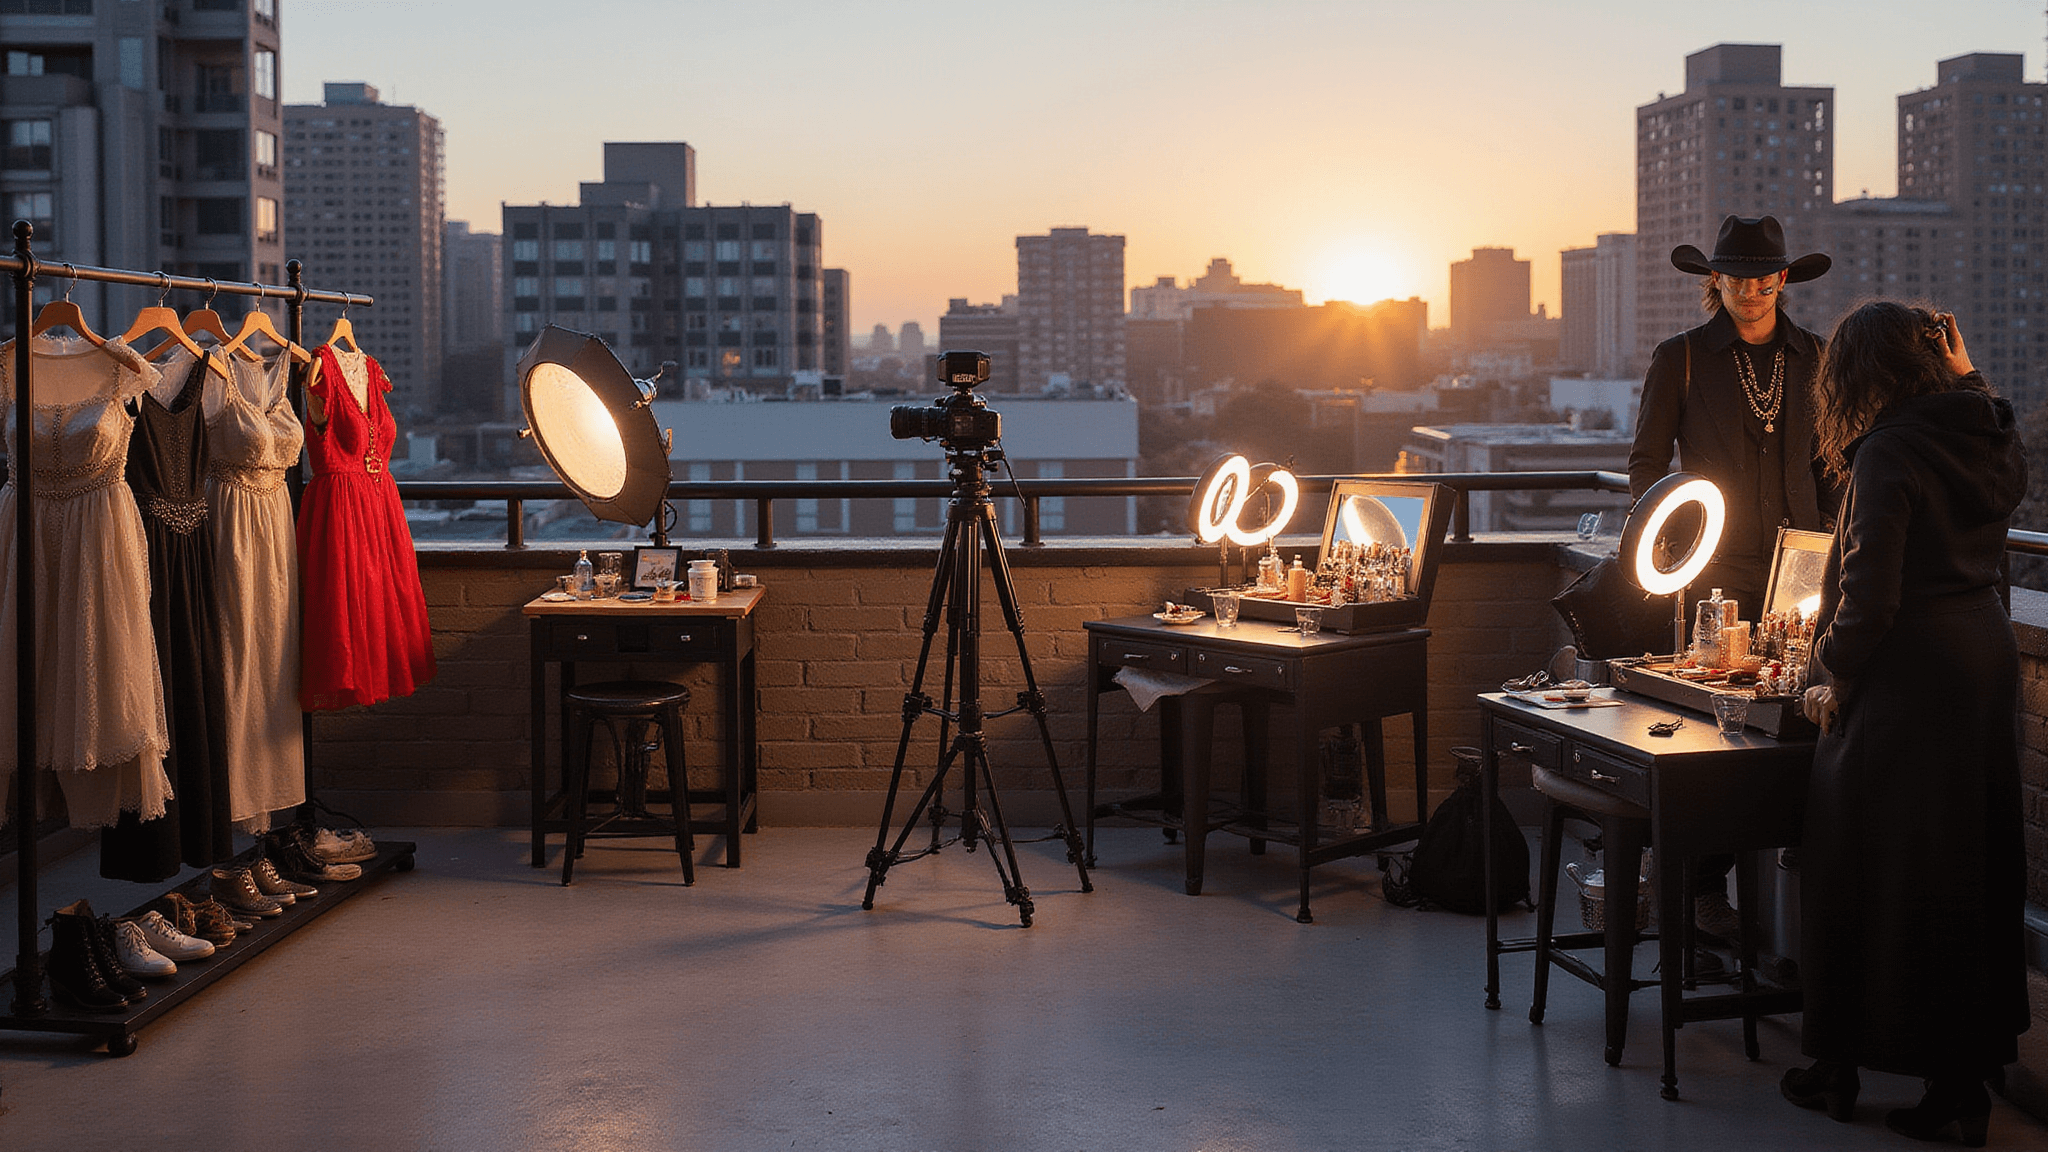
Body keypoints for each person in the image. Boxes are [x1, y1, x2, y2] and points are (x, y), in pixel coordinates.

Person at [1785, 304, 2028, 1145]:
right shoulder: (1983, 432)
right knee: (1964, 871)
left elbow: (1868, 595)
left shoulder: (1888, 449)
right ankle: (1959, 1087)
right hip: (1981, 669)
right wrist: (1968, 372)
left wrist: (1826, 674)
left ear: (1863, 375)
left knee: (1854, 865)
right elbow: (2002, 440)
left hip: (1905, 682)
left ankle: (1836, 1063)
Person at [1628, 213, 1835, 941]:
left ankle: (1794, 906)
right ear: (1715, 280)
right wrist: (1680, 544)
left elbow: (1833, 465)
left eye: (1764, 274)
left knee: (1796, 725)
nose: (1751, 288)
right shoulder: (1680, 357)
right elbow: (1646, 468)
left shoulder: (1815, 356)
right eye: (1737, 275)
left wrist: (1843, 552)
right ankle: (1700, 898)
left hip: (1804, 578)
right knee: (1714, 739)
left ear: (1783, 278)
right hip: (1712, 578)